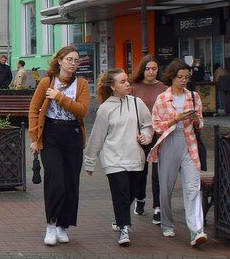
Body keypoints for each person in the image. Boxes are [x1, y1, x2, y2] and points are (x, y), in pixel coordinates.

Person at [28, 46, 91, 246]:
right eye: (69, 59)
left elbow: (82, 111)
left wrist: (59, 97)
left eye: (76, 61)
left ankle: (64, 225)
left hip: (72, 135)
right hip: (51, 134)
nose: (73, 64)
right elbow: (34, 108)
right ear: (60, 60)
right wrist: (34, 137)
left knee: (71, 182)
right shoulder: (47, 82)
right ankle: (51, 224)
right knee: (55, 180)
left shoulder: (81, 85)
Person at [84, 69, 153, 247]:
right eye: (122, 82)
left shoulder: (137, 103)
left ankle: (119, 218)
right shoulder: (105, 109)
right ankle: (124, 227)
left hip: (135, 157)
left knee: (132, 192)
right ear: (113, 86)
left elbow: (148, 125)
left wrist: (146, 136)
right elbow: (97, 136)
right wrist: (90, 161)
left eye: (127, 81)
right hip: (113, 159)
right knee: (121, 193)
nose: (127, 84)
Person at [149, 59, 208, 247]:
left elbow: (200, 122)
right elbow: (157, 126)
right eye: (180, 77)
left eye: (186, 77)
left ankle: (197, 230)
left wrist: (196, 121)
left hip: (189, 142)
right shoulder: (162, 98)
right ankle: (167, 223)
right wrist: (177, 118)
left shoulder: (194, 96)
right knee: (165, 188)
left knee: (193, 187)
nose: (183, 81)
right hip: (169, 142)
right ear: (172, 77)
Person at [129, 55, 168, 223]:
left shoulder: (164, 88)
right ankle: (140, 199)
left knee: (158, 172)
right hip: (141, 135)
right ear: (142, 70)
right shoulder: (134, 88)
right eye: (147, 68)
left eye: (154, 69)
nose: (151, 72)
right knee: (140, 170)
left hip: (160, 135)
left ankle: (158, 207)